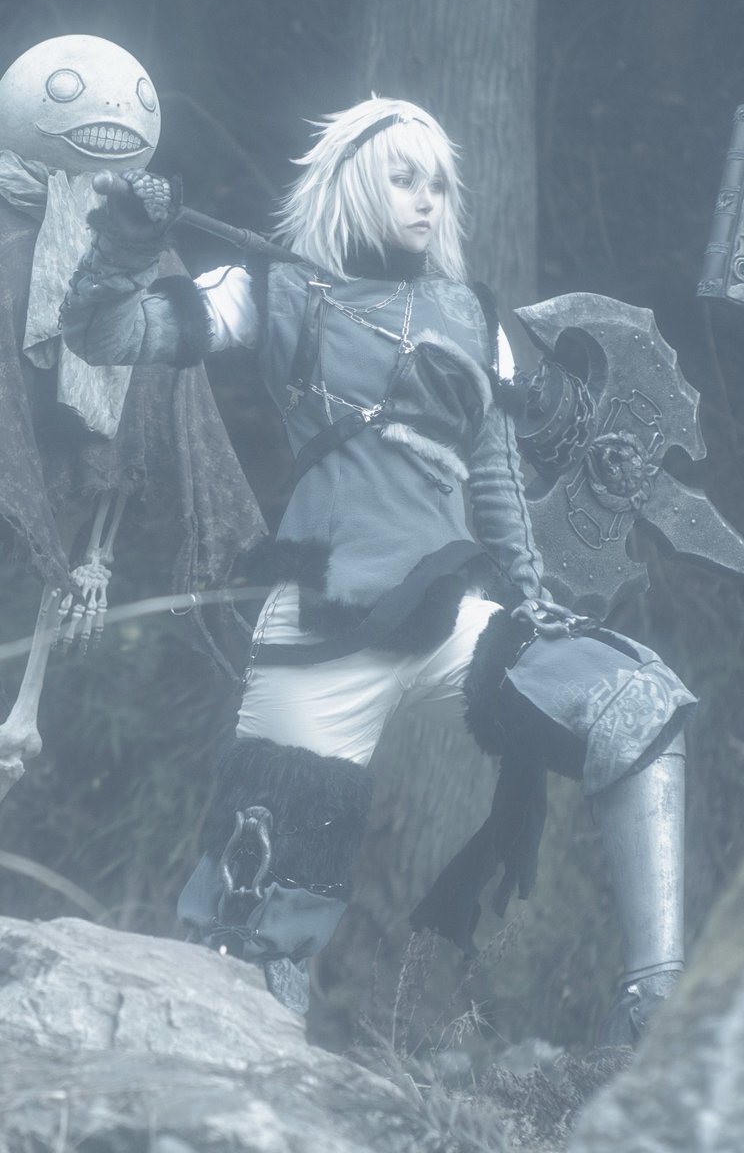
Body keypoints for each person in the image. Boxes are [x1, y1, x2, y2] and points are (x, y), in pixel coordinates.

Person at [61, 97, 695, 1043]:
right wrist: (122, 247)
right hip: (326, 622)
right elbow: (105, 337)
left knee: (639, 702)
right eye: (404, 179)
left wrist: (530, 595)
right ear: (355, 183)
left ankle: (655, 1004)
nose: (427, 199)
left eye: (438, 183)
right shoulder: (269, 289)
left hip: (451, 617)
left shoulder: (471, 314)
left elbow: (492, 477)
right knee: (252, 925)